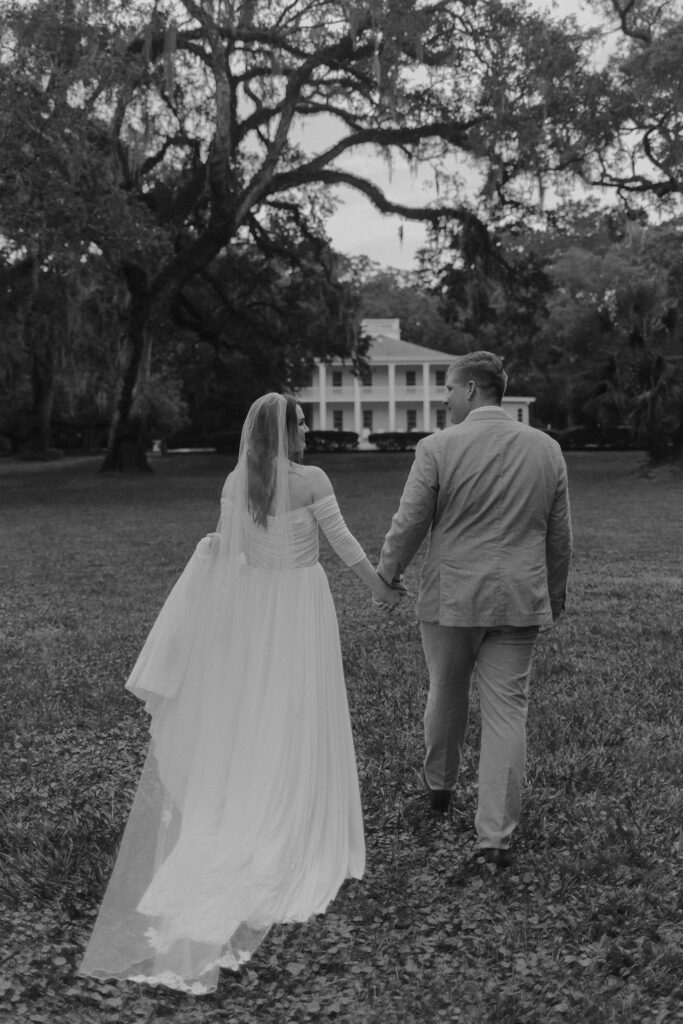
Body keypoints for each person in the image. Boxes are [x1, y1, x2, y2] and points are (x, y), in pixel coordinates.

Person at [79, 393, 401, 994]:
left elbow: (228, 555)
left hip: (257, 609)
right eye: (302, 422)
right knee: (297, 711)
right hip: (301, 605)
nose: (307, 428)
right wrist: (380, 589)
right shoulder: (311, 480)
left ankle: (249, 807)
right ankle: (289, 816)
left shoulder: (238, 480)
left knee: (260, 710)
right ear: (286, 432)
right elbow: (344, 543)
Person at [376, 351, 572, 869]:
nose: (444, 399)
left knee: (446, 692)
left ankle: (439, 791)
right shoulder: (546, 448)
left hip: (452, 597)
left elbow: (410, 519)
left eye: (447, 390)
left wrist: (388, 571)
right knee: (509, 713)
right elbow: (559, 535)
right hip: (519, 598)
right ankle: (495, 839)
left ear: (469, 390)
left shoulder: (438, 447)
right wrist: (555, 593)